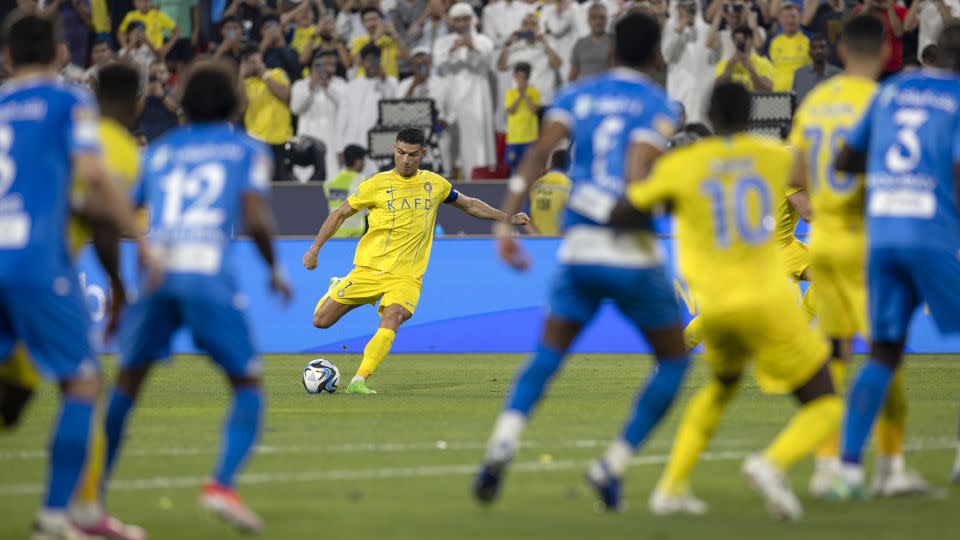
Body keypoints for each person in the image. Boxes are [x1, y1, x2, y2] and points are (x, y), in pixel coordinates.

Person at [475, 12, 691, 513]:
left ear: (611, 52)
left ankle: (501, 443)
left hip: (578, 252)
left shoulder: (577, 96)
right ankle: (611, 465)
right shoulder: (659, 106)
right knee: (675, 361)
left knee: (548, 356)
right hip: (632, 254)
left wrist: (507, 221)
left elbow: (536, 156)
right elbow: (638, 175)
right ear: (658, 57)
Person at [628, 82, 840, 521]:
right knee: (826, 401)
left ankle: (670, 487)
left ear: (709, 115)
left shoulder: (685, 164)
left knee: (720, 389)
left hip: (718, 294)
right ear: (751, 118)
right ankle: (771, 462)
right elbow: (813, 184)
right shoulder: (774, 156)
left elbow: (632, 205)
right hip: (765, 288)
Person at [103, 59, 292, 534]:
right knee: (247, 387)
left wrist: (127, 278)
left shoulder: (160, 152)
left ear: (184, 103)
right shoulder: (247, 149)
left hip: (158, 277)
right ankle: (221, 486)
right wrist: (275, 269)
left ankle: (88, 500)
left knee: (125, 386)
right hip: (207, 276)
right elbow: (255, 216)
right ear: (235, 101)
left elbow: (122, 213)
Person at [0, 12, 147, 540]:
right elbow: (92, 178)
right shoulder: (70, 104)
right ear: (62, 54)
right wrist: (143, 241)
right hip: (37, 261)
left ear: (6, 57)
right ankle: (60, 518)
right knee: (83, 383)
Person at [789, 15, 931, 499]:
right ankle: (888, 466)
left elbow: (795, 174)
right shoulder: (886, 101)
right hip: (869, 240)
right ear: (890, 51)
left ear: (842, 49)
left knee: (834, 354)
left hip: (823, 238)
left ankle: (826, 465)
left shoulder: (815, 101)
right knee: (885, 352)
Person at [830, 22, 960, 499]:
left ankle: (846, 470)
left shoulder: (893, 90)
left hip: (882, 231)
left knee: (884, 352)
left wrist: (889, 169)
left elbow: (845, 159)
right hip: (931, 228)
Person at [302, 126, 530, 394]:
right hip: (369, 269)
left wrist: (508, 217)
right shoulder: (375, 184)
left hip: (407, 275)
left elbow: (469, 204)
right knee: (321, 320)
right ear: (394, 150)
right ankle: (336, 286)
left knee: (394, 315)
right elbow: (340, 213)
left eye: (412, 154)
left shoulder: (435, 185)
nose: (405, 160)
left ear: (422, 153)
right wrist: (315, 248)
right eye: (400, 153)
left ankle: (359, 380)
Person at [433, 2, 496, 178]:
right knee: (451, 140)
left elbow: (485, 63)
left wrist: (471, 46)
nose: (461, 24)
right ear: (452, 22)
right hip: (452, 95)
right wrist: (452, 50)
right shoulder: (443, 42)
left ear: (471, 20)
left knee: (476, 141)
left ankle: (477, 177)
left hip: (477, 96)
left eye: (465, 19)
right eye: (457, 20)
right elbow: (439, 64)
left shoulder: (483, 41)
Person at [333, 43, 398, 168]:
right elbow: (342, 119)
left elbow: (392, 107)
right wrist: (339, 147)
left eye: (376, 59)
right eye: (369, 60)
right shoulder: (351, 86)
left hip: (376, 151)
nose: (372, 63)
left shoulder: (390, 83)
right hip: (350, 147)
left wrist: (383, 81)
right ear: (362, 62)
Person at [291, 49, 345, 182]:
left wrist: (327, 86)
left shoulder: (340, 85)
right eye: (324, 64)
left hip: (332, 144)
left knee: (333, 183)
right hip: (307, 146)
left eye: (332, 65)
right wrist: (312, 84)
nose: (328, 69)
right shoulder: (300, 85)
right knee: (307, 184)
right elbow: (296, 108)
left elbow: (344, 106)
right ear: (314, 66)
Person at [241, 46, 293, 181]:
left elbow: (285, 96)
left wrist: (265, 75)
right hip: (256, 142)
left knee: (282, 187)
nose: (255, 65)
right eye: (251, 62)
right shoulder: (245, 84)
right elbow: (237, 108)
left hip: (280, 140)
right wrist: (241, 75)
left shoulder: (277, 73)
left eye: (257, 61)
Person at [663, 0, 716, 123]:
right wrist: (680, 30)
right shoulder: (671, 26)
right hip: (679, 86)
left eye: (691, 6)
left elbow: (712, 60)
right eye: (685, 6)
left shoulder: (706, 29)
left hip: (701, 89)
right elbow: (668, 57)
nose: (688, 10)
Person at [497, 12, 563, 106]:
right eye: (525, 24)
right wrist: (507, 44)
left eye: (533, 24)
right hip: (521, 103)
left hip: (543, 100)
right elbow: (501, 67)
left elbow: (558, 64)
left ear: (539, 27)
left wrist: (544, 42)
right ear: (520, 27)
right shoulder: (515, 46)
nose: (529, 27)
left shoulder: (549, 43)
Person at [851, 0, 907, 78]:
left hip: (892, 66)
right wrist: (867, 6)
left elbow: (898, 33)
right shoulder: (860, 9)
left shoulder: (899, 10)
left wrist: (890, 8)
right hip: (868, 64)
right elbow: (854, 30)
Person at [324, 144, 368, 238]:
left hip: (333, 234)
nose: (364, 164)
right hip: (355, 236)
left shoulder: (330, 182)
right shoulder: (363, 181)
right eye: (363, 160)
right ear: (358, 161)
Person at [351, 7, 409, 79]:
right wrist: (376, 37)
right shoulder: (358, 41)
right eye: (368, 20)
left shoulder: (390, 41)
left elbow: (407, 57)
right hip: (366, 85)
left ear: (382, 21)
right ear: (363, 23)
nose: (372, 23)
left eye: (375, 19)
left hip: (389, 84)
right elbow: (358, 62)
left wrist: (394, 33)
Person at [714, 25, 774, 92]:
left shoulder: (763, 63)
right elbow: (717, 87)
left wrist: (752, 71)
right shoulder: (725, 64)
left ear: (751, 40)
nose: (740, 43)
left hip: (756, 100)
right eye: (736, 40)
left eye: (743, 39)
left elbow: (767, 90)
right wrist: (729, 67)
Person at [504, 62, 540, 172]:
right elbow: (510, 110)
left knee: (529, 168)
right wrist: (519, 96)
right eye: (518, 77)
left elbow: (535, 110)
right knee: (514, 169)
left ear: (527, 78)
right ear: (514, 77)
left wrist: (527, 97)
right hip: (514, 138)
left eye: (523, 77)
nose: (521, 80)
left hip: (530, 138)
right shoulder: (510, 92)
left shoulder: (534, 92)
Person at [768, 3, 811, 92]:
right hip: (778, 94)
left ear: (800, 18)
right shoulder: (774, 43)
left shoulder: (808, 41)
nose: (789, 20)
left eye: (793, 16)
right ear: (780, 20)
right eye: (785, 17)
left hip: (801, 92)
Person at [528, 149, 571, 236]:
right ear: (569, 166)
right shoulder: (571, 185)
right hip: (560, 240)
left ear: (551, 164)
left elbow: (525, 216)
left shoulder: (535, 185)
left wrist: (536, 235)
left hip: (537, 240)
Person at [802, 0, 859, 66]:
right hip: (829, 66)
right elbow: (805, 23)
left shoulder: (854, 7)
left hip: (852, 64)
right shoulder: (822, 11)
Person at [792, 33, 841, 104]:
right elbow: (796, 103)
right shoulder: (799, 74)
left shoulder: (839, 75)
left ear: (829, 51)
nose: (819, 51)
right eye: (814, 48)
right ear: (809, 52)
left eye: (822, 47)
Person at [569, 2, 612, 81]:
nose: (598, 21)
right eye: (594, 17)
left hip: (607, 91)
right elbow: (572, 75)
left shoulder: (614, 42)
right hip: (585, 91)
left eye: (602, 17)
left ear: (607, 19)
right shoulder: (580, 44)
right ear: (588, 20)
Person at [139, 62, 180, 141]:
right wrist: (144, 96)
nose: (157, 76)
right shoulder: (143, 92)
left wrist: (162, 96)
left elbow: (177, 110)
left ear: (168, 75)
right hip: (147, 140)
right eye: (154, 73)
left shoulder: (175, 91)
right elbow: (135, 114)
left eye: (162, 72)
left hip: (169, 138)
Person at [260, 13, 303, 85]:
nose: (272, 31)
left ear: (280, 28)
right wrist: (265, 42)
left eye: (274, 26)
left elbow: (296, 68)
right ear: (261, 31)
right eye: (267, 27)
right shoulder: (262, 52)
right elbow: (254, 62)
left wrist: (281, 42)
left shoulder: (291, 49)